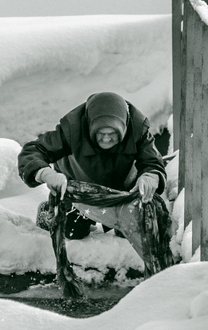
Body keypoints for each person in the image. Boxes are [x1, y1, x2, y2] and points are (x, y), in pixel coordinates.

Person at [18, 91, 167, 240]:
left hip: (122, 190)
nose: (107, 139)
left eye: (113, 133)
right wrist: (45, 173)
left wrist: (151, 175)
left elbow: (152, 160)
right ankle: (49, 211)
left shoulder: (138, 129)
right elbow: (33, 150)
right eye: (101, 133)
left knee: (133, 232)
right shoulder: (72, 128)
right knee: (72, 231)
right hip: (79, 190)